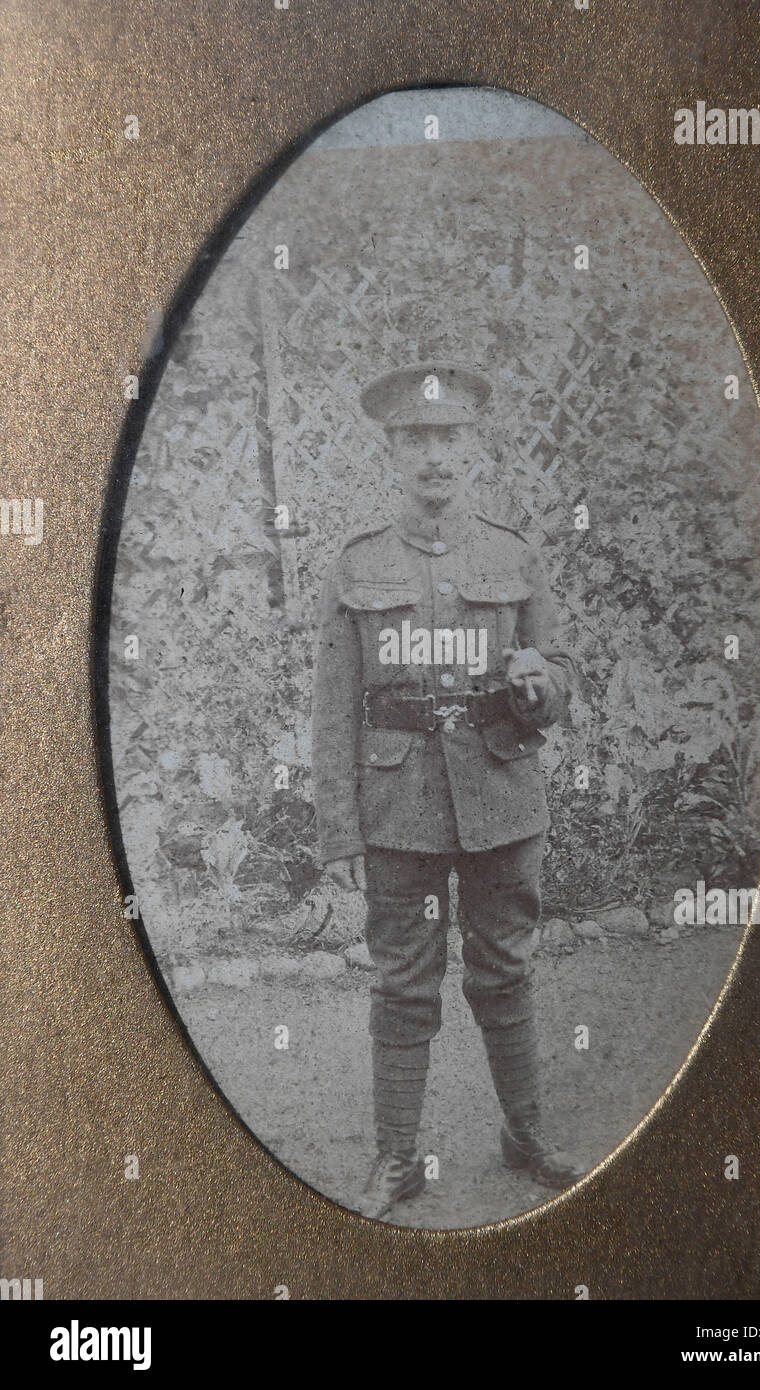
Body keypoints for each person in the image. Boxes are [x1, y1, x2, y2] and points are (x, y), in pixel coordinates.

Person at [311, 362, 582, 1220]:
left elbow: (564, 669)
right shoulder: (359, 564)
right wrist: (339, 832)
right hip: (399, 809)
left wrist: (544, 683)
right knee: (402, 983)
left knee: (506, 969)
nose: (436, 456)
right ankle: (397, 1159)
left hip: (502, 795)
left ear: (476, 448)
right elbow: (330, 710)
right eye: (417, 440)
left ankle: (526, 1134)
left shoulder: (514, 554)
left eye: (451, 438)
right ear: (392, 452)